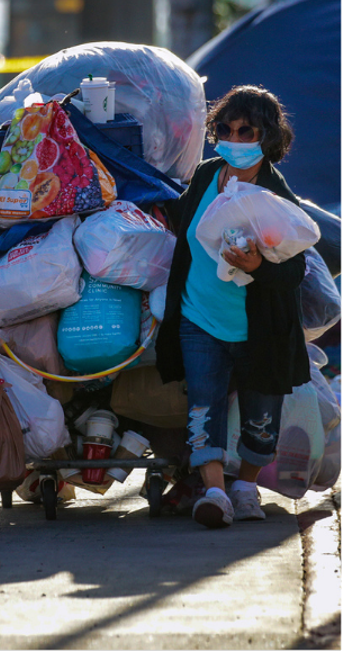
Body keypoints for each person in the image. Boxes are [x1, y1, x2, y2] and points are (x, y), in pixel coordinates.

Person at [156, 85, 310, 529]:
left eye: (247, 131)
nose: (234, 139)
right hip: (197, 317)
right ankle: (215, 493)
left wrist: (259, 265)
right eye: (225, 129)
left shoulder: (277, 195)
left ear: (267, 137)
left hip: (258, 328)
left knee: (262, 416)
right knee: (203, 406)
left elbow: (292, 274)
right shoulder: (206, 175)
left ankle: (245, 487)